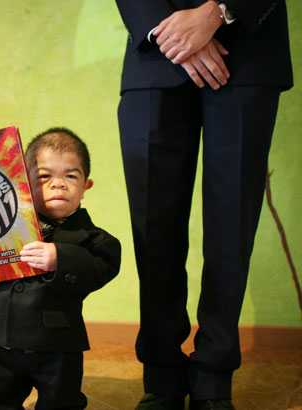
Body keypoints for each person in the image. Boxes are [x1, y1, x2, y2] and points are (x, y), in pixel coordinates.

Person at [114, 1, 293, 409]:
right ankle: (162, 376)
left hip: (247, 50)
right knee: (152, 225)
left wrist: (219, 11)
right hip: (154, 52)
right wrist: (171, 29)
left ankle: (214, 376)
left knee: (231, 224)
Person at [0, 127, 121, 410]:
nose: (58, 184)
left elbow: (102, 268)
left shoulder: (95, 239)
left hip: (57, 344)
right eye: (44, 176)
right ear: (22, 183)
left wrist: (61, 258)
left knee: (61, 402)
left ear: (85, 186)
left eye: (70, 175)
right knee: (0, 399)